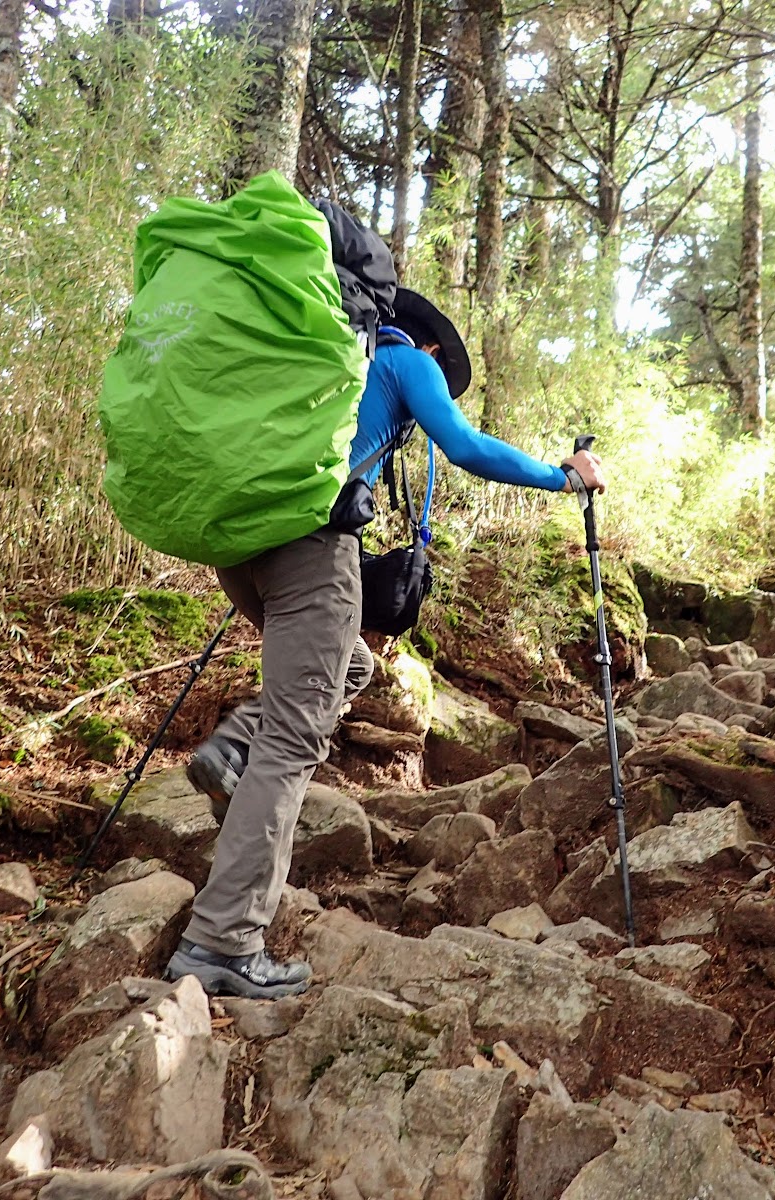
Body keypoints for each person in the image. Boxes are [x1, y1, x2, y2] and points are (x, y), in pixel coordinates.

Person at [165, 288, 607, 1000]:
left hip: (240, 542)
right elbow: (464, 446)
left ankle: (232, 747)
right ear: (428, 345)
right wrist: (562, 476)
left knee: (353, 665)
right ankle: (221, 941)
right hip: (312, 547)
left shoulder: (316, 360)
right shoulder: (404, 361)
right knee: (293, 741)